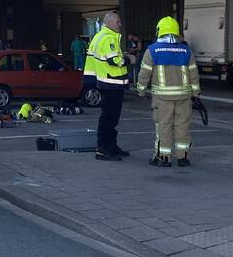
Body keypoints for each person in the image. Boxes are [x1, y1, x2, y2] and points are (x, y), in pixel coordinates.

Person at [136, 17, 201, 168]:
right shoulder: (186, 51)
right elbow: (194, 75)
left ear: (160, 31)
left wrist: (140, 90)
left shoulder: (152, 50)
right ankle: (183, 157)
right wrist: (196, 94)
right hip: (184, 98)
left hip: (162, 98)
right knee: (182, 127)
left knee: (164, 127)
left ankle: (163, 158)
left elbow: (144, 74)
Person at [84, 11, 135, 160]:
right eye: (118, 21)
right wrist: (129, 59)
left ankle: (110, 146)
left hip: (106, 82)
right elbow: (114, 61)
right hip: (111, 83)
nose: (120, 24)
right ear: (109, 23)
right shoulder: (108, 38)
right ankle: (103, 149)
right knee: (109, 117)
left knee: (110, 117)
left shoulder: (100, 37)